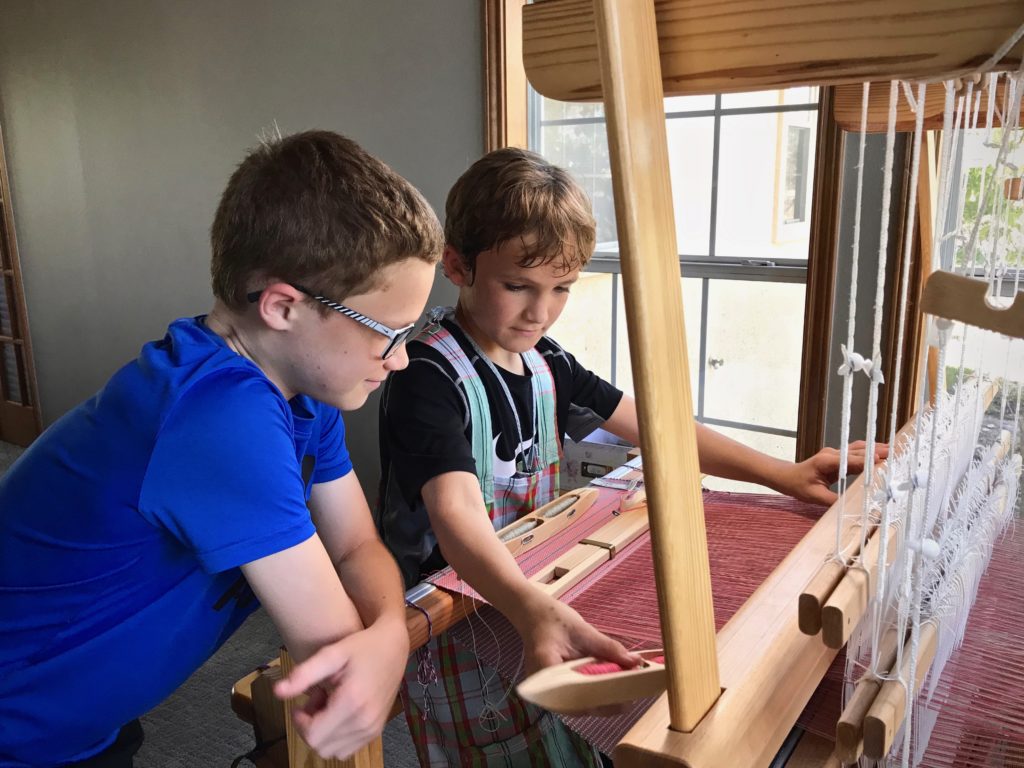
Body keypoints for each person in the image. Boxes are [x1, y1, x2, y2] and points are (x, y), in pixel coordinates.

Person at [376, 147, 885, 767]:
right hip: (458, 625)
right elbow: (455, 515)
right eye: (518, 287)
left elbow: (659, 428)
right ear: (457, 266)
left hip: (539, 594)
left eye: (562, 289)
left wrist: (785, 472)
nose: (541, 312)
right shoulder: (425, 373)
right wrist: (533, 607)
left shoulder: (544, 361)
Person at [0, 130, 443, 767]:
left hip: (81, 715)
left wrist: (385, 635)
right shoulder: (219, 416)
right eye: (388, 333)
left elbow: (356, 545)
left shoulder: (303, 389)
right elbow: (334, 654)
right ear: (283, 307)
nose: (400, 359)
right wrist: (388, 641)